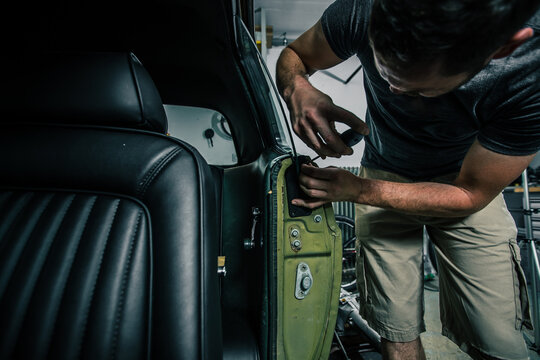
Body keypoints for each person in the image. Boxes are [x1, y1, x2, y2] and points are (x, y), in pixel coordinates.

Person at [276, 0, 540, 359]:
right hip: (383, 169)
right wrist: (298, 88)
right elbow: (295, 54)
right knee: (395, 330)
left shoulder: (531, 75)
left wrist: (358, 190)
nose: (394, 94)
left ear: (501, 48)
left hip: (463, 185)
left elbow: (470, 194)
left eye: (417, 90)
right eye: (386, 77)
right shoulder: (362, 9)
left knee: (497, 340)